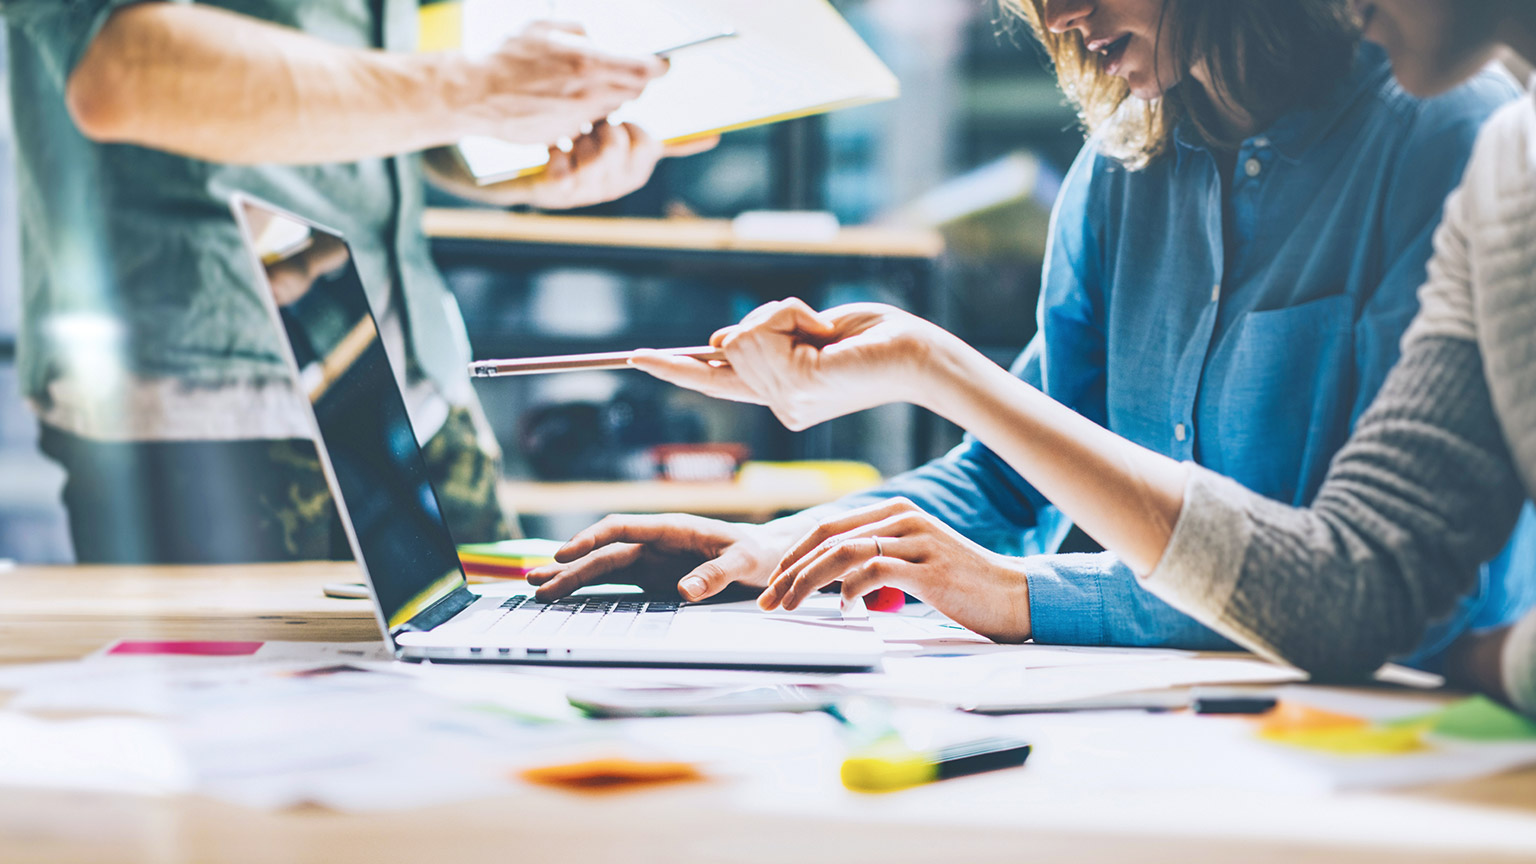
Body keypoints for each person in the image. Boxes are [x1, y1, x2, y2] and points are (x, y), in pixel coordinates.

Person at [529, 0, 1529, 668]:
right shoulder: (1123, 167)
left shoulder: (1460, 135)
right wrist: (782, 552)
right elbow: (1007, 482)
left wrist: (1021, 591)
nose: (1056, 14)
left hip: (1396, 730)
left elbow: (1401, 595)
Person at [3, 1, 712, 563]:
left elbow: (388, 97)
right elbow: (122, 71)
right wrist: (478, 89)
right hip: (214, 403)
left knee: (494, 703)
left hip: (420, 377)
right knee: (250, 738)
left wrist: (520, 158)